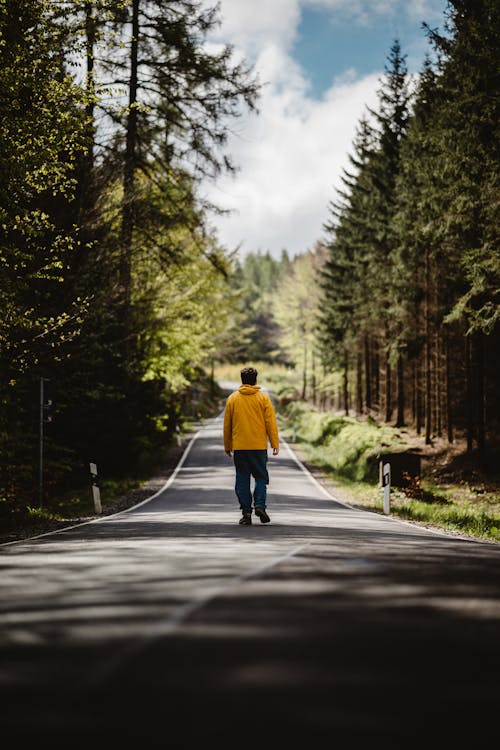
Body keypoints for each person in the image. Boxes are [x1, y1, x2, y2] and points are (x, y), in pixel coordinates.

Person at [223, 366, 280, 525]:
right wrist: (274, 443)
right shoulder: (263, 398)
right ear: (256, 379)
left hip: (240, 447)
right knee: (261, 477)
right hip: (258, 447)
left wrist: (227, 445)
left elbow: (228, 425)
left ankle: (246, 512)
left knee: (242, 479)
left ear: (242, 380)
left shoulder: (233, 398)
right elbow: (271, 423)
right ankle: (260, 505)